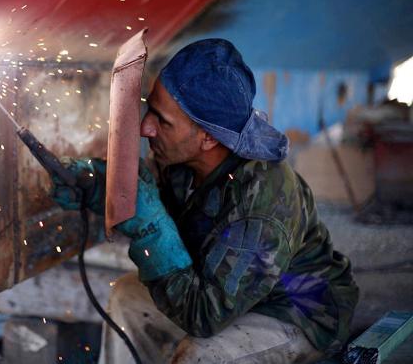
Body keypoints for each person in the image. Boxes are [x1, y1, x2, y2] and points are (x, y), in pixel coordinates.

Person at [51, 39, 358, 363]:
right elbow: (151, 198)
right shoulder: (182, 163)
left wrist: (151, 230)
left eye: (162, 121)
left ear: (209, 137)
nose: (146, 128)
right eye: (150, 110)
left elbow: (205, 316)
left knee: (201, 355)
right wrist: (102, 188)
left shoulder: (262, 207)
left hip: (295, 311)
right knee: (128, 297)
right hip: (229, 291)